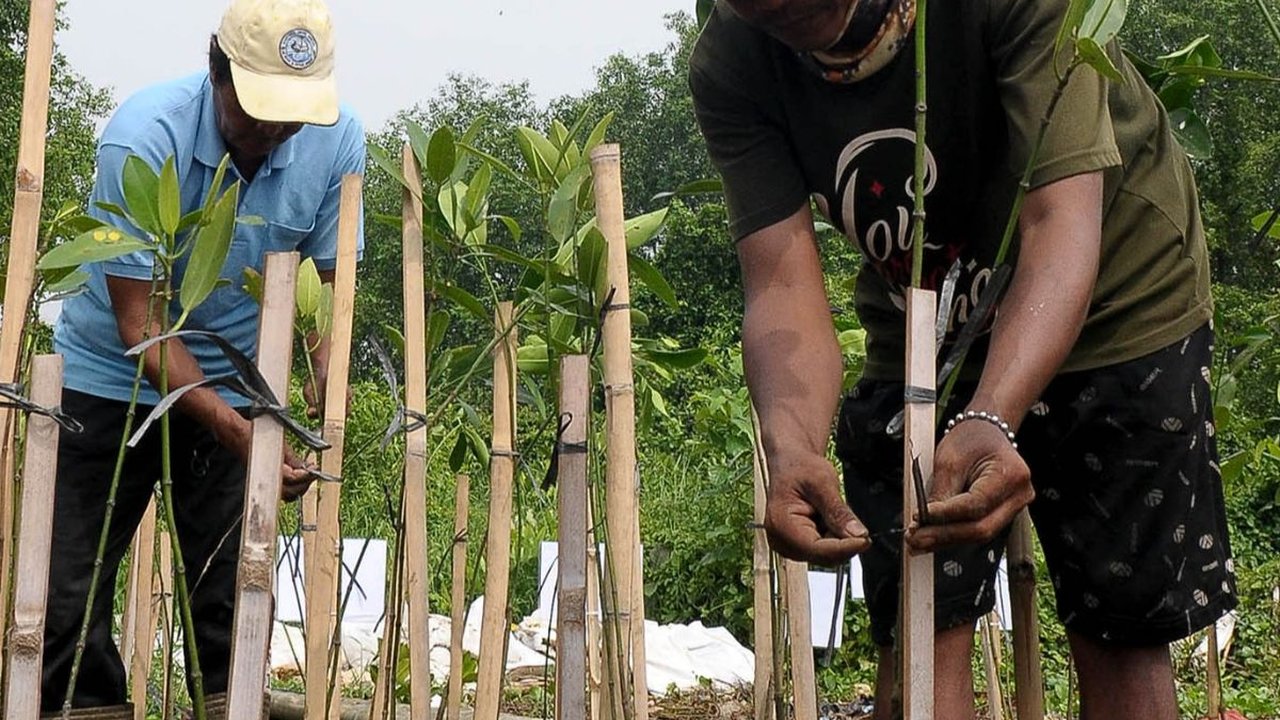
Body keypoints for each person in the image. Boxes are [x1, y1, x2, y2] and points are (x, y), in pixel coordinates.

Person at [689, 0, 1237, 717]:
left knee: (1120, 627)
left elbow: (1058, 219)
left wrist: (993, 414)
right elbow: (782, 282)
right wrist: (790, 447)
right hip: (926, 316)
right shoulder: (733, 59)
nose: (780, 14)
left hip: (1112, 287)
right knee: (918, 622)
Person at [42, 0, 364, 714]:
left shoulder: (338, 142)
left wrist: (320, 391)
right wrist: (235, 430)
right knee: (68, 589)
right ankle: (86, 708)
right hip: (107, 381)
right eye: (259, 109)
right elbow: (142, 320)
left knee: (229, 587)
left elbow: (326, 290)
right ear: (216, 69)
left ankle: (231, 705)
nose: (275, 130)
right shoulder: (143, 137)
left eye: (293, 111)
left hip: (236, 379)